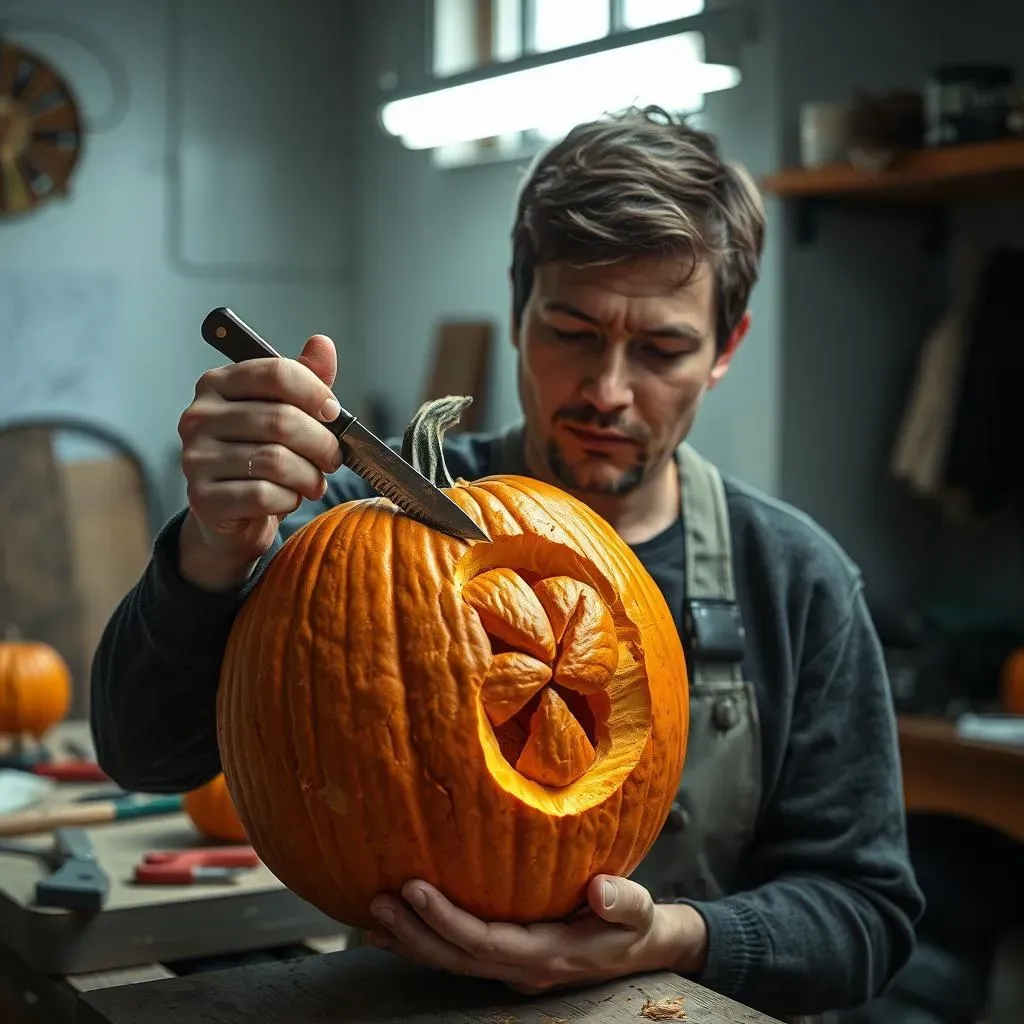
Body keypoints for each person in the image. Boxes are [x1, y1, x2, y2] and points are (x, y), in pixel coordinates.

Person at [90, 106, 924, 1022]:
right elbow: (144, 752)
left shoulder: (795, 579)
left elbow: (866, 916)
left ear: (725, 349)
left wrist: (675, 938)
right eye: (571, 331)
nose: (608, 390)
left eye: (661, 349)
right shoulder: (355, 533)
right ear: (518, 310)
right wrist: (214, 547)